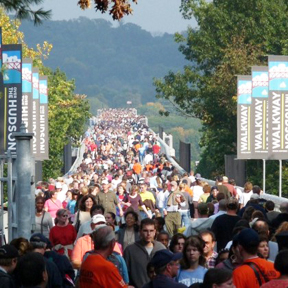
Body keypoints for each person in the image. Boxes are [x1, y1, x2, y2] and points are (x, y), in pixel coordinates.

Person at [124, 218, 166, 288]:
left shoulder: (161, 248)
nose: (148, 234)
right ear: (140, 231)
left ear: (155, 231)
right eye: (145, 231)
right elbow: (125, 273)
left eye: (151, 231)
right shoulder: (130, 250)